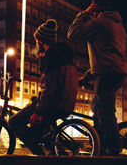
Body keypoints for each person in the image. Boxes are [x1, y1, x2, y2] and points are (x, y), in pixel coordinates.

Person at [67, 0, 127, 156]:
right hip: (117, 71)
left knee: (105, 111)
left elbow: (72, 33)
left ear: (95, 10)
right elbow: (107, 55)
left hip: (107, 73)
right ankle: (99, 142)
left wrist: (84, 14)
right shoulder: (118, 25)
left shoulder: (100, 23)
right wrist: (86, 77)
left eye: (92, 12)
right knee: (97, 106)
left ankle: (114, 147)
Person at [9, 19, 78, 155]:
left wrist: (39, 111)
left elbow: (49, 88)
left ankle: (39, 155)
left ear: (40, 41)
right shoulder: (64, 57)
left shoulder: (50, 58)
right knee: (38, 128)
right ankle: (50, 145)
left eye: (36, 41)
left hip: (54, 104)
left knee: (14, 122)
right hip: (67, 103)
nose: (36, 44)